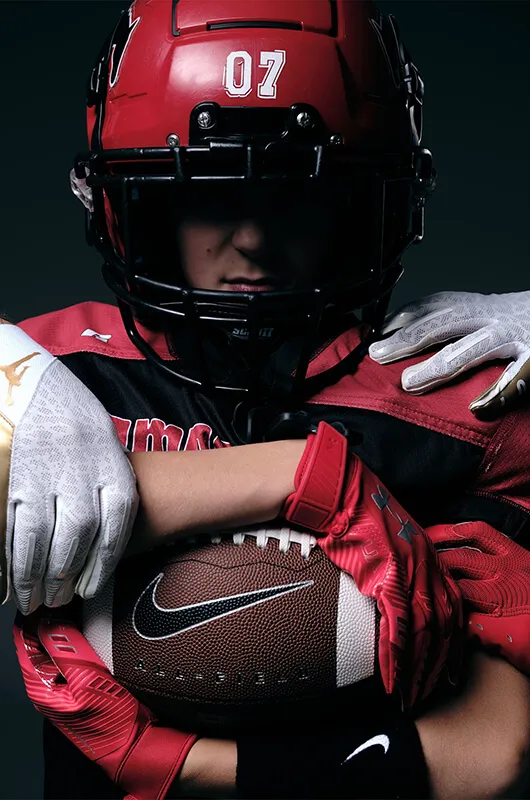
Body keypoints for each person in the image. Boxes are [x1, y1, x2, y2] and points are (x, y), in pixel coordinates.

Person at [4, 1, 530, 798]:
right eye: (211, 196)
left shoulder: (452, 397)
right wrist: (12, 372)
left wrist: (178, 767)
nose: (252, 237)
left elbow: (493, 750)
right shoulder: (54, 373)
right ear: (134, 204)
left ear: (362, 205)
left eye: (294, 195)